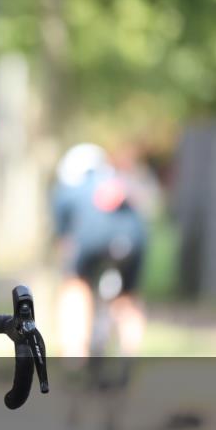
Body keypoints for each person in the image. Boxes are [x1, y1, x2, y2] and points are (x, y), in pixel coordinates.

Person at [51, 143, 148, 364]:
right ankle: (129, 351)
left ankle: (74, 353)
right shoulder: (117, 181)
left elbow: (63, 238)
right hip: (134, 239)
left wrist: (66, 258)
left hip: (91, 239)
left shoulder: (69, 189)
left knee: (75, 284)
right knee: (128, 296)